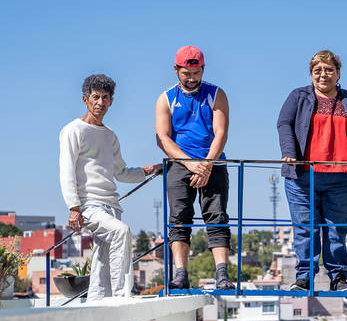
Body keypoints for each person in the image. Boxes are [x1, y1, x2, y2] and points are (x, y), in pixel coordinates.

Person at [59, 74, 162, 301]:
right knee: (121, 233)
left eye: (105, 98)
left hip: (112, 204)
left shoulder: (110, 135)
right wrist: (74, 207)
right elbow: (66, 170)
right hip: (88, 205)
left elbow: (121, 172)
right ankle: (122, 297)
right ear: (85, 99)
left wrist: (149, 170)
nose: (100, 102)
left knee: (103, 261)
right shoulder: (72, 131)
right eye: (96, 97)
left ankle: (96, 304)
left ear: (111, 101)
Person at [277, 50, 347, 291]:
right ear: (311, 74)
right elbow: (284, 123)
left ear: (338, 73)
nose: (323, 75)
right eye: (318, 70)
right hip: (302, 177)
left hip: (340, 177)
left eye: (329, 70)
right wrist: (289, 151)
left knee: (336, 231)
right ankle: (304, 276)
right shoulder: (298, 97)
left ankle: (338, 277)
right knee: (306, 228)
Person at [155, 46, 235, 290]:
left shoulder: (216, 94)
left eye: (196, 73)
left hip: (213, 162)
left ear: (203, 70)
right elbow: (162, 137)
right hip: (180, 164)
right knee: (179, 218)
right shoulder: (166, 98)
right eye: (186, 73)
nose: (191, 79)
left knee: (217, 216)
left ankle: (222, 273)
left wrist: (207, 165)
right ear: (176, 70)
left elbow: (221, 132)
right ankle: (180, 273)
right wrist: (190, 164)